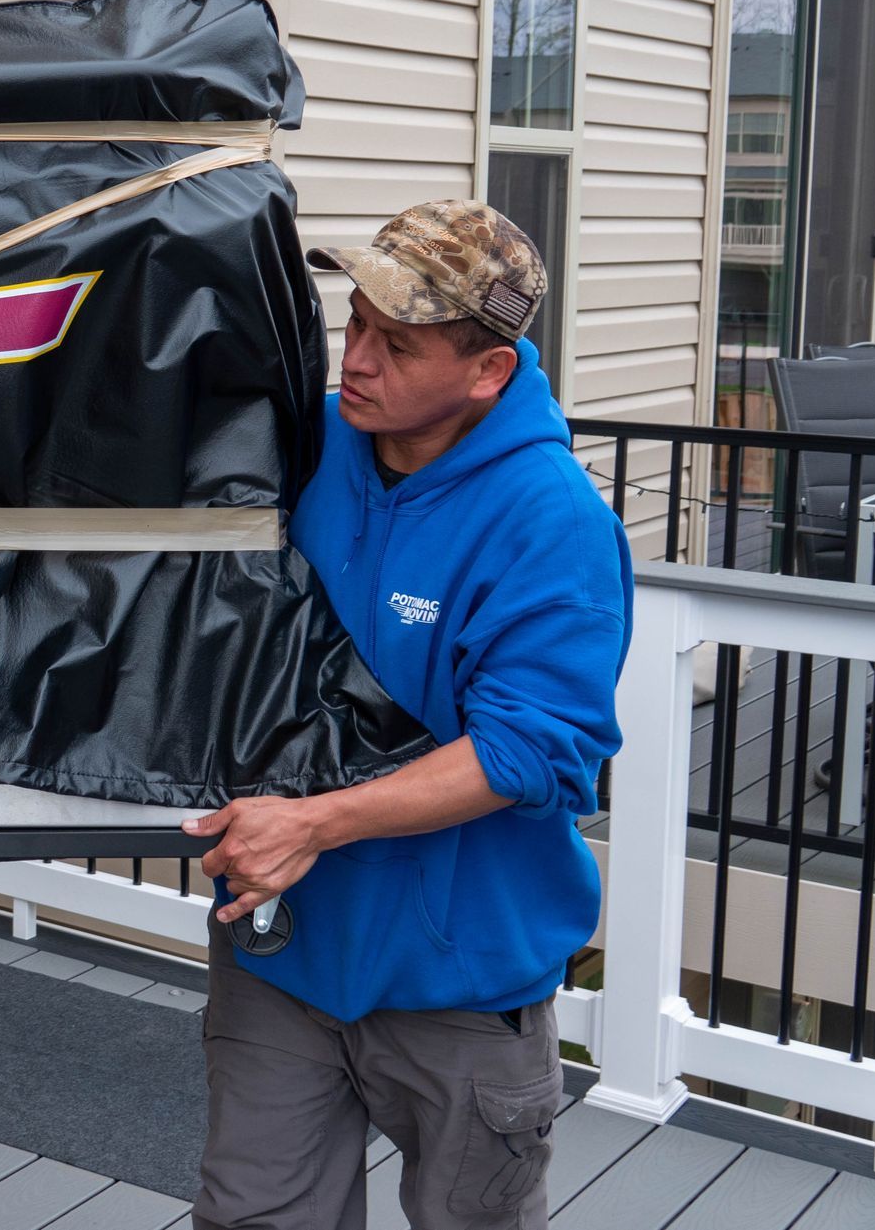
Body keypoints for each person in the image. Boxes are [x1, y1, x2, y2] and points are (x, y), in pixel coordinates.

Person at [185, 201, 632, 1230]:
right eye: (355, 323)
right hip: (286, 954)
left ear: (488, 371)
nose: (358, 359)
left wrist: (313, 820)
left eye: (398, 342)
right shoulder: (323, 442)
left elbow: (530, 749)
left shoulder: (551, 521)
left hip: (462, 982)